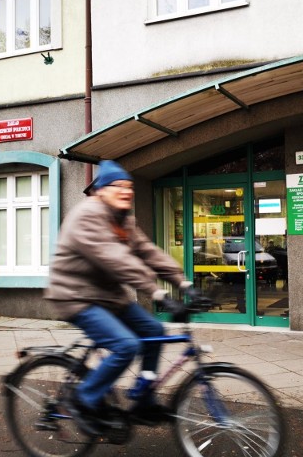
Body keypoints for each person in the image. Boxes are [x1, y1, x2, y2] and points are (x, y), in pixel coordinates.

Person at [45, 160, 194, 434]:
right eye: (118, 186)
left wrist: (184, 284)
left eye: (129, 186)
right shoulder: (87, 215)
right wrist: (158, 293)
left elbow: (148, 252)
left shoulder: (123, 220)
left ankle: (143, 399)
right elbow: (117, 260)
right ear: (101, 190)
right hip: (75, 296)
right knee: (126, 345)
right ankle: (82, 399)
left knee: (154, 330)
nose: (126, 191)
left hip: (108, 297)